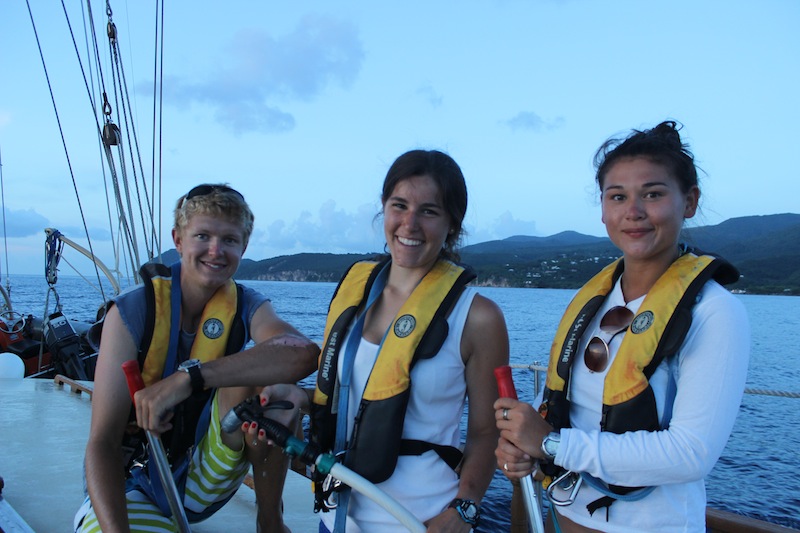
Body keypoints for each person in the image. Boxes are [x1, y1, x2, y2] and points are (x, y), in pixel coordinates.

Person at [495, 121, 750, 533]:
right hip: (564, 518)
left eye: (653, 194)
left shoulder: (715, 312)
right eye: (618, 196)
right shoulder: (592, 303)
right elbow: (556, 409)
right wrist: (523, 441)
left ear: (689, 201)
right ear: (603, 209)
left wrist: (551, 443)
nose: (633, 211)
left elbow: (691, 453)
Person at [250, 149, 510, 532]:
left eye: (429, 211)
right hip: (336, 516)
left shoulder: (478, 317)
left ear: (452, 224)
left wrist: (464, 508)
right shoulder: (355, 295)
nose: (410, 224)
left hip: (419, 520)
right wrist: (298, 398)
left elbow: (487, 432)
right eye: (399, 206)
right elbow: (350, 398)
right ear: (383, 209)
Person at [74, 184, 319, 533]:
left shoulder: (247, 304)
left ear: (243, 247)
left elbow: (303, 352)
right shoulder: (130, 312)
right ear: (178, 239)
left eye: (229, 240)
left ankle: (270, 522)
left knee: (278, 393)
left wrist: (189, 378)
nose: (216, 251)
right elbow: (103, 443)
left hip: (203, 477)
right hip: (133, 482)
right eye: (203, 236)